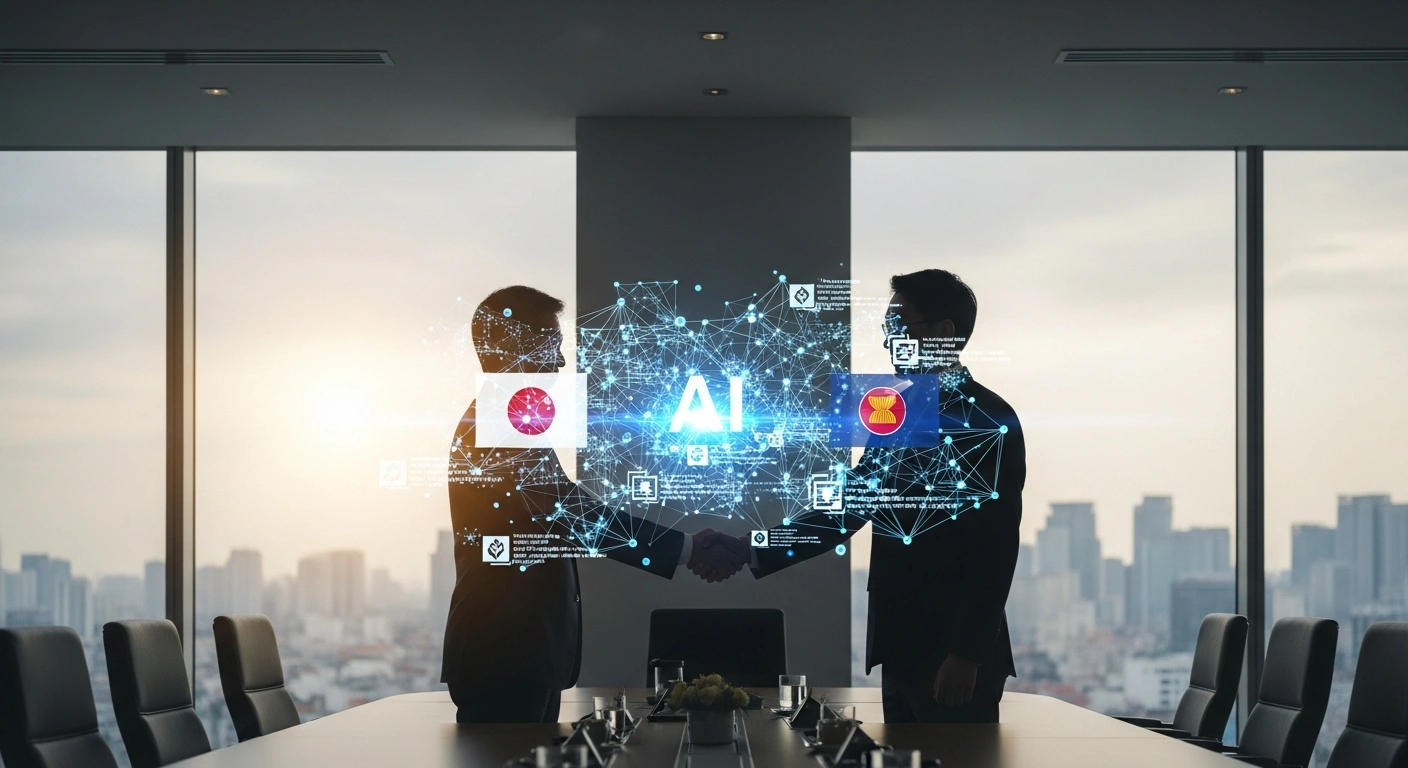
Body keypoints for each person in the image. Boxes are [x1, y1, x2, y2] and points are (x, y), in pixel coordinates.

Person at [731, 269, 1026, 723]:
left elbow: (997, 547)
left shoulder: (988, 418)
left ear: (944, 333)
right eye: (886, 328)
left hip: (954, 658)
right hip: (902, 646)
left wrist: (966, 656)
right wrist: (751, 550)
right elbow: (849, 508)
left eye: (899, 325)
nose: (889, 340)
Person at [441, 285, 745, 723]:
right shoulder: (497, 425)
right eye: (551, 343)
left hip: (519, 654)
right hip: (506, 654)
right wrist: (689, 550)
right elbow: (576, 514)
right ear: (511, 345)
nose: (561, 361)